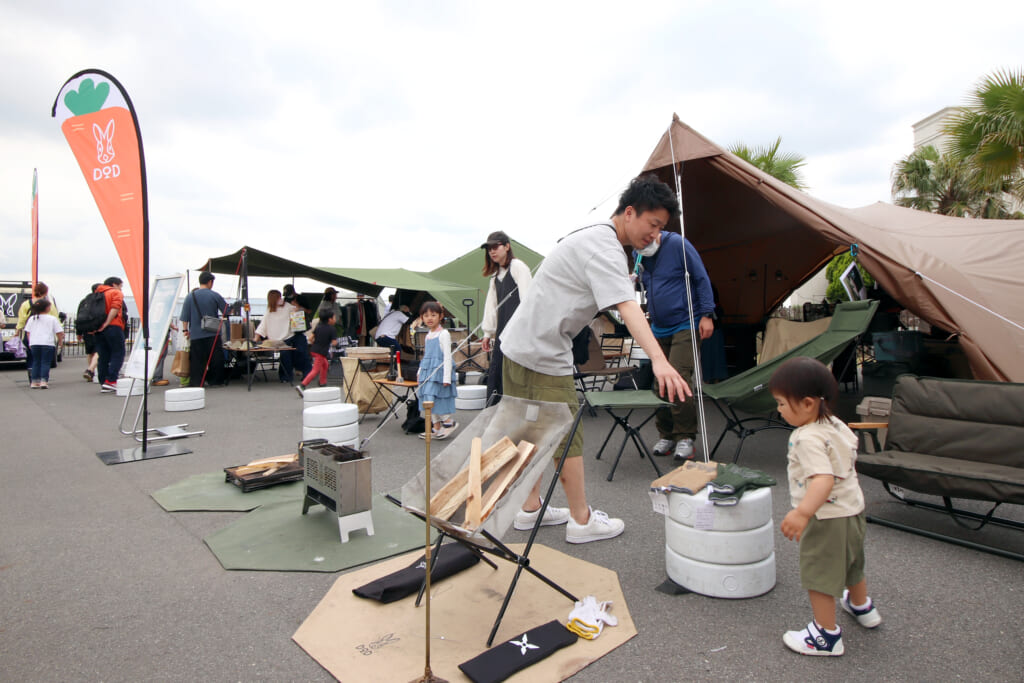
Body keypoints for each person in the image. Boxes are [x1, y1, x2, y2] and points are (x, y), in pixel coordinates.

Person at [500, 175, 691, 544]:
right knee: (565, 432)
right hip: (541, 352)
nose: (655, 236)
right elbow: (627, 306)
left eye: (662, 229)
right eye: (653, 225)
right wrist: (660, 361)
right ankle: (581, 521)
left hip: (518, 346)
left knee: (531, 429)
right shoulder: (605, 247)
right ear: (630, 212)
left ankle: (530, 507)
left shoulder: (592, 236)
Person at [769, 356, 881, 657]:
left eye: (781, 403)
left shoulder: (806, 437)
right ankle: (862, 607)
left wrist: (802, 512)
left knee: (819, 574)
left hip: (825, 515)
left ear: (807, 404)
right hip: (853, 509)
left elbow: (822, 479)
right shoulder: (835, 424)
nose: (778, 410)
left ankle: (826, 635)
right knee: (852, 563)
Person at [635, 228, 715, 461]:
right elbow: (643, 281)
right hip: (658, 326)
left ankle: (685, 437)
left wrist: (708, 314)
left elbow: (700, 277)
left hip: (686, 322)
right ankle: (667, 434)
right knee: (659, 379)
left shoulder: (678, 244)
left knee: (678, 377)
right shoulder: (638, 252)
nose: (643, 242)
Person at [480, 230, 532, 405]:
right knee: (498, 373)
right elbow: (491, 307)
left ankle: (518, 418)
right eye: (489, 249)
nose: (492, 251)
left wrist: (524, 330)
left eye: (496, 246)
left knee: (516, 376)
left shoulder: (518, 267)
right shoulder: (495, 277)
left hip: (518, 332)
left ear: (507, 246)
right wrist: (487, 333)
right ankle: (497, 416)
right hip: (503, 331)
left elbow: (528, 300)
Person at [416, 301, 458, 440]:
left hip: (439, 372)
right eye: (426, 315)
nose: (429, 318)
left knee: (437, 399)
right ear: (421, 317)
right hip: (428, 371)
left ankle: (448, 422)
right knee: (427, 397)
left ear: (440, 316)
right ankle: (436, 427)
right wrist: (420, 371)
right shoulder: (428, 335)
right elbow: (426, 355)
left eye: (433, 315)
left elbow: (447, 356)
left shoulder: (443, 333)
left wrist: (446, 377)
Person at [180, 271, 227, 388]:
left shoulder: (190, 296)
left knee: (197, 360)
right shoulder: (215, 295)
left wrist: (185, 330)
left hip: (196, 334)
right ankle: (215, 380)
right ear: (210, 282)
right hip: (213, 333)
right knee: (215, 358)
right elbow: (226, 310)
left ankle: (197, 382)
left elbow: (185, 317)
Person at [16, 282, 61, 384]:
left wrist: (17, 331)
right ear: (46, 292)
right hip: (46, 336)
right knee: (45, 360)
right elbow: (56, 320)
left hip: (30, 334)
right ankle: (43, 379)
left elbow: (22, 320)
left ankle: (32, 378)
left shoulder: (26, 304)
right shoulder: (49, 306)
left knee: (32, 358)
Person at [254, 289, 296, 383]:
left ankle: (286, 377)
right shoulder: (269, 311)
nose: (281, 299)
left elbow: (296, 311)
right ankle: (285, 376)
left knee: (286, 357)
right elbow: (262, 325)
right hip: (274, 339)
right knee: (285, 357)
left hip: (288, 337)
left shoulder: (288, 306)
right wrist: (256, 337)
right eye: (279, 297)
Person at [94, 277, 127, 393]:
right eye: (120, 286)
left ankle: (103, 380)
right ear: (114, 284)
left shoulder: (97, 293)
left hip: (97, 329)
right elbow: (115, 307)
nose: (121, 289)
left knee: (103, 355)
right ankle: (111, 380)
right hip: (113, 326)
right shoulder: (115, 292)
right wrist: (107, 322)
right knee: (118, 352)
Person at [296, 309, 339, 395]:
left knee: (325, 365)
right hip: (321, 352)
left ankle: (322, 382)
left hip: (314, 350)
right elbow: (334, 342)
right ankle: (302, 385)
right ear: (329, 319)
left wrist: (315, 343)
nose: (335, 319)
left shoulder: (318, 327)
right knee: (315, 370)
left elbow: (310, 338)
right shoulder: (332, 329)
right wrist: (336, 344)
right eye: (334, 317)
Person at [24, 299, 64, 389]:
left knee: (36, 362)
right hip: (47, 343)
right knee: (45, 362)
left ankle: (34, 381)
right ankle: (43, 381)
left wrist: (30, 342)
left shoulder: (32, 318)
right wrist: (60, 342)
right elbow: (59, 332)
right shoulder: (52, 319)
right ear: (46, 308)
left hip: (34, 343)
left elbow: (28, 332)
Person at [282, 284, 311, 382]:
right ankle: (286, 375)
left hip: (299, 327)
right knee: (286, 352)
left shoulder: (302, 298)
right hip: (288, 329)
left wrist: (298, 307)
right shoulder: (284, 300)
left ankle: (306, 373)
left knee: (302, 351)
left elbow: (309, 311)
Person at [82, 283, 101, 381]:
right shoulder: (99, 301)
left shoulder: (84, 301)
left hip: (87, 330)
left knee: (90, 352)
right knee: (98, 351)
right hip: (97, 329)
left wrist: (79, 332)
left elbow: (79, 316)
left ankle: (91, 371)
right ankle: (92, 370)